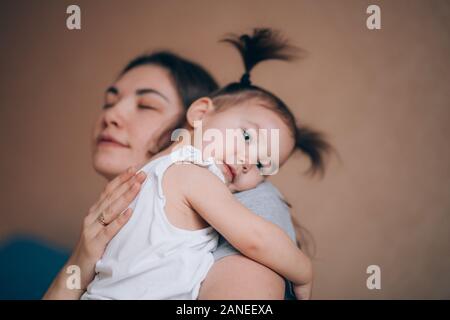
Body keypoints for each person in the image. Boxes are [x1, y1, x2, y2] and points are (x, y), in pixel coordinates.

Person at [44, 30, 324, 300]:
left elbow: (256, 240)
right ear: (199, 114)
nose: (112, 115)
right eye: (109, 102)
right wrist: (304, 271)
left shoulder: (254, 197)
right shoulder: (183, 175)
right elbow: (256, 239)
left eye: (147, 104)